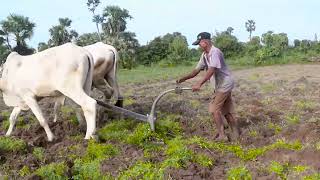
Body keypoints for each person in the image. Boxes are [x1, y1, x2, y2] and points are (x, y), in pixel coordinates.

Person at [176, 32, 240, 141]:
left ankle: (222, 135)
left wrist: (199, 84)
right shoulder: (205, 55)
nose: (199, 46)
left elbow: (212, 70)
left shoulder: (215, 52)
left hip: (224, 84)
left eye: (199, 43)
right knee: (225, 109)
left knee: (214, 109)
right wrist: (183, 79)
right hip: (220, 84)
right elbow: (196, 71)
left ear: (205, 42)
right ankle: (235, 131)